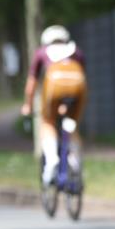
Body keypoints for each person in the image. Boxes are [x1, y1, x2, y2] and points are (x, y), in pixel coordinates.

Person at [20, 25, 87, 185]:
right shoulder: (76, 51)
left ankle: (51, 160)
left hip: (54, 91)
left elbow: (31, 84)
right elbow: (83, 76)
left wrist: (27, 105)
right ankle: (75, 162)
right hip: (77, 90)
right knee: (72, 125)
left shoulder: (42, 52)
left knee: (48, 122)